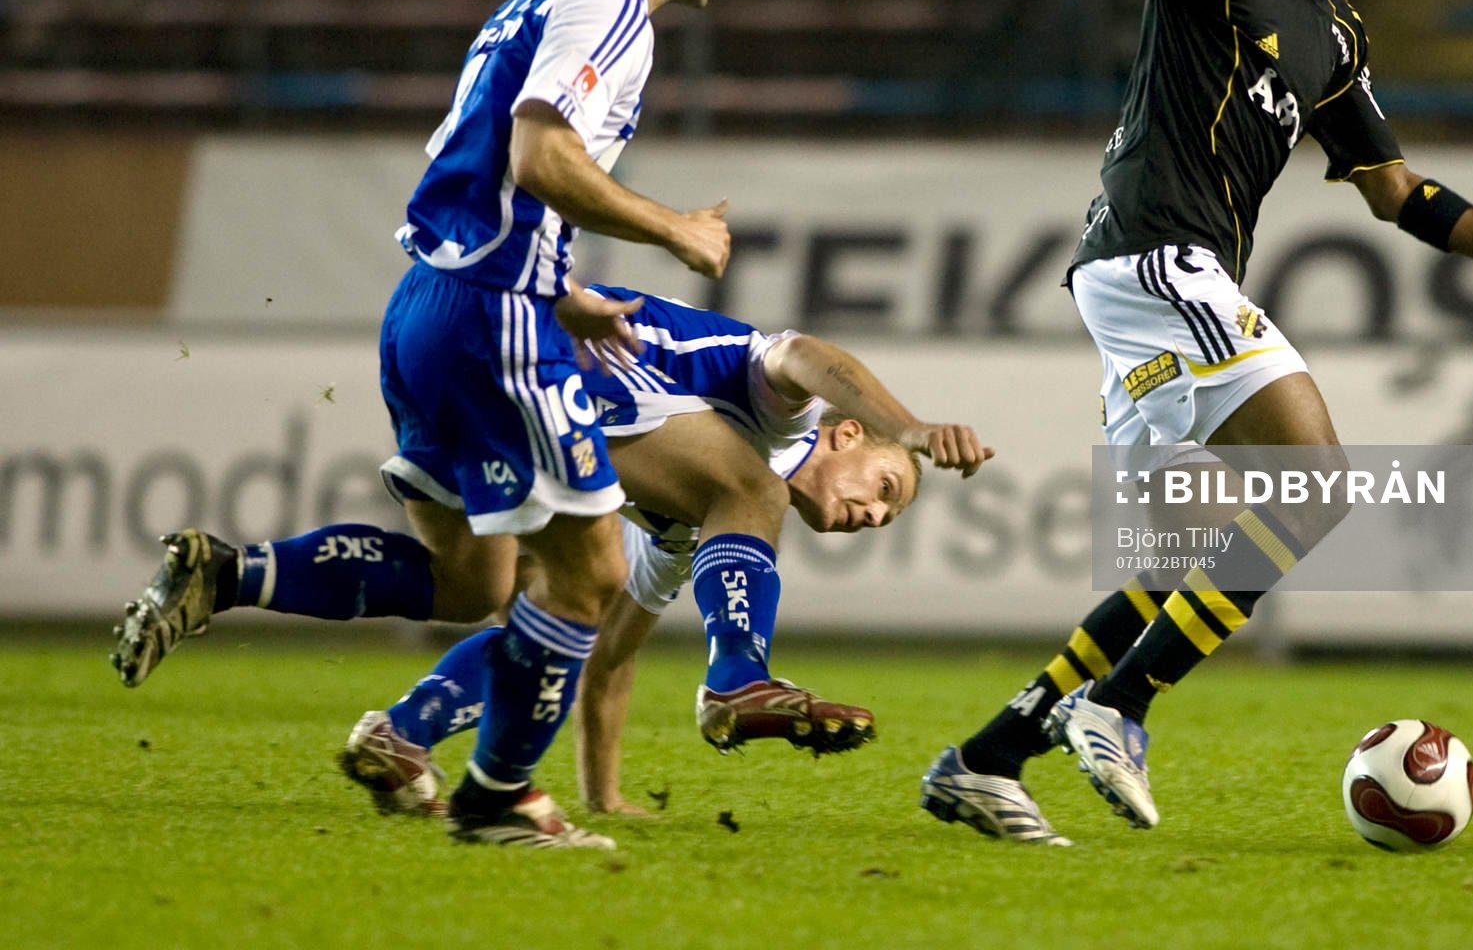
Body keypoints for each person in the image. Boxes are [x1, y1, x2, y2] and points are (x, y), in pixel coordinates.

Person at [792, 0, 1473, 844]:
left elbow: (1395, 193)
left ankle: (984, 758)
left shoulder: (1335, 35)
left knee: (1170, 562)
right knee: (1314, 484)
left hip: (1141, 277)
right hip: (1159, 252)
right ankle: (1117, 703)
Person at [111, 0, 739, 851]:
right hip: (492, 317)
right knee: (589, 576)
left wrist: (564, 289)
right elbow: (539, 155)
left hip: (431, 302)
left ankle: (227, 574)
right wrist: (672, 227)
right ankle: (498, 798)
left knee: (471, 582)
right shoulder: (612, 3)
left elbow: (482, 167)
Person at [336, 286, 992, 818]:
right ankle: (738, 680)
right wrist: (911, 428)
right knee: (749, 492)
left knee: (542, 609)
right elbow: (804, 352)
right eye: (885, 486)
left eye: (885, 515)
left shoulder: (700, 521)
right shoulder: (785, 422)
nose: (875, 514)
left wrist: (604, 795)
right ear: (847, 433)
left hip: (455, 367)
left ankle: (398, 728)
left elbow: (611, 656)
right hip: (540, 353)